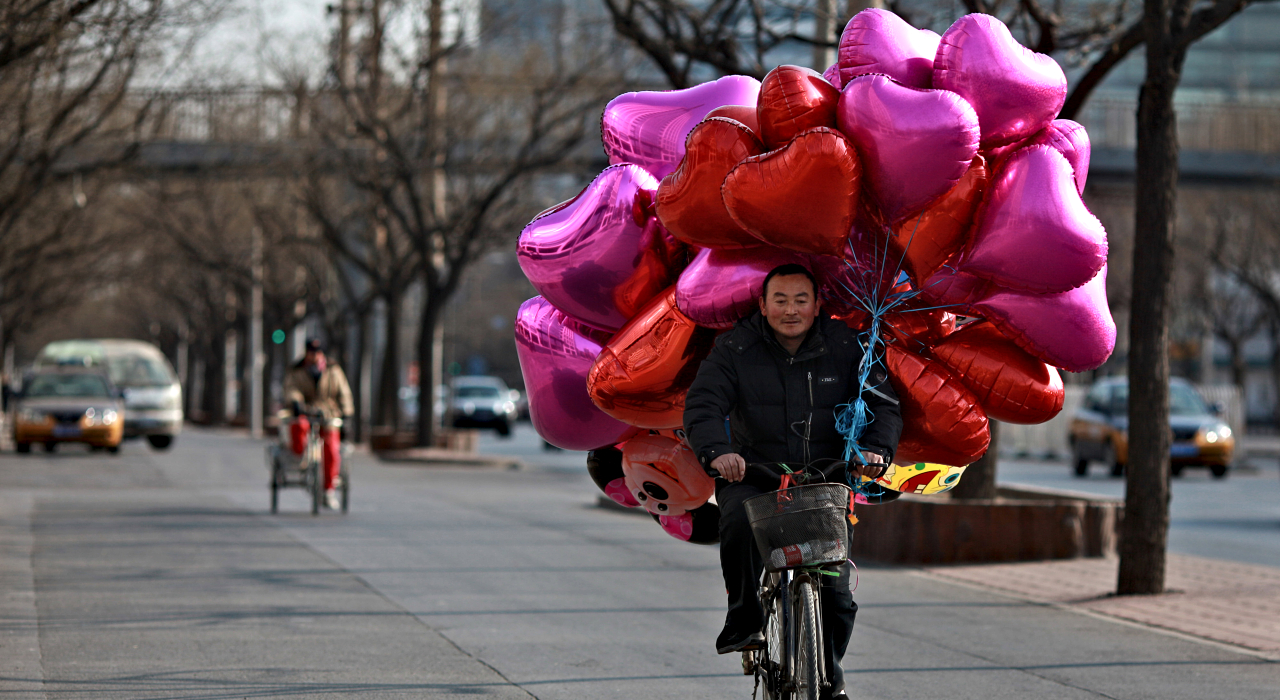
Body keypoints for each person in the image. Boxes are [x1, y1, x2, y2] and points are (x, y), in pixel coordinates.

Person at [683, 263, 903, 700]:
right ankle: (744, 620)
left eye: (800, 300)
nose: (790, 310)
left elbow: (884, 405)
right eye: (780, 300)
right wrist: (717, 453)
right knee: (740, 524)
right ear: (762, 305)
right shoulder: (736, 348)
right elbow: (703, 404)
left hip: (826, 479)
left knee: (838, 597)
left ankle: (830, 675)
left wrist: (877, 452)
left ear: (817, 304)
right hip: (752, 474)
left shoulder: (847, 345)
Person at [283, 339, 354, 510]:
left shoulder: (334, 370)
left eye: (317, 352)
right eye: (311, 352)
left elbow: (344, 393)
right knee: (298, 426)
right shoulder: (297, 370)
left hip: (329, 414)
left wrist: (346, 413)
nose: (314, 356)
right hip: (306, 412)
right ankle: (300, 457)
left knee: (331, 447)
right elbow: (291, 389)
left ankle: (328, 490)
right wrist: (296, 403)